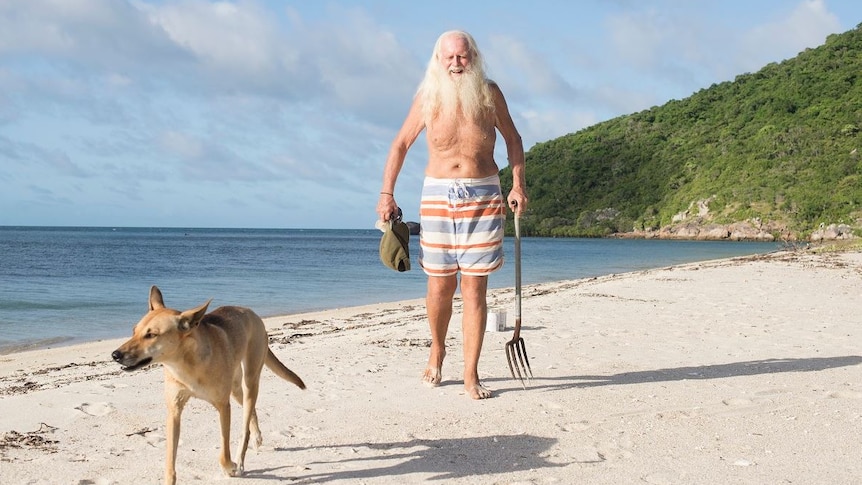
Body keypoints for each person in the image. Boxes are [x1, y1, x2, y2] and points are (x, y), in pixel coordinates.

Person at [376, 30, 528, 400]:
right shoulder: (428, 96)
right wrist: (386, 194)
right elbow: (400, 144)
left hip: (484, 194)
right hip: (438, 196)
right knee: (440, 285)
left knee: (475, 288)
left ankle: (471, 374)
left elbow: (513, 140)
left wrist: (518, 185)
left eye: (462, 57)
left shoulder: (489, 94)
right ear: (439, 60)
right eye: (450, 58)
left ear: (473, 57)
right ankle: (437, 349)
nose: (456, 64)